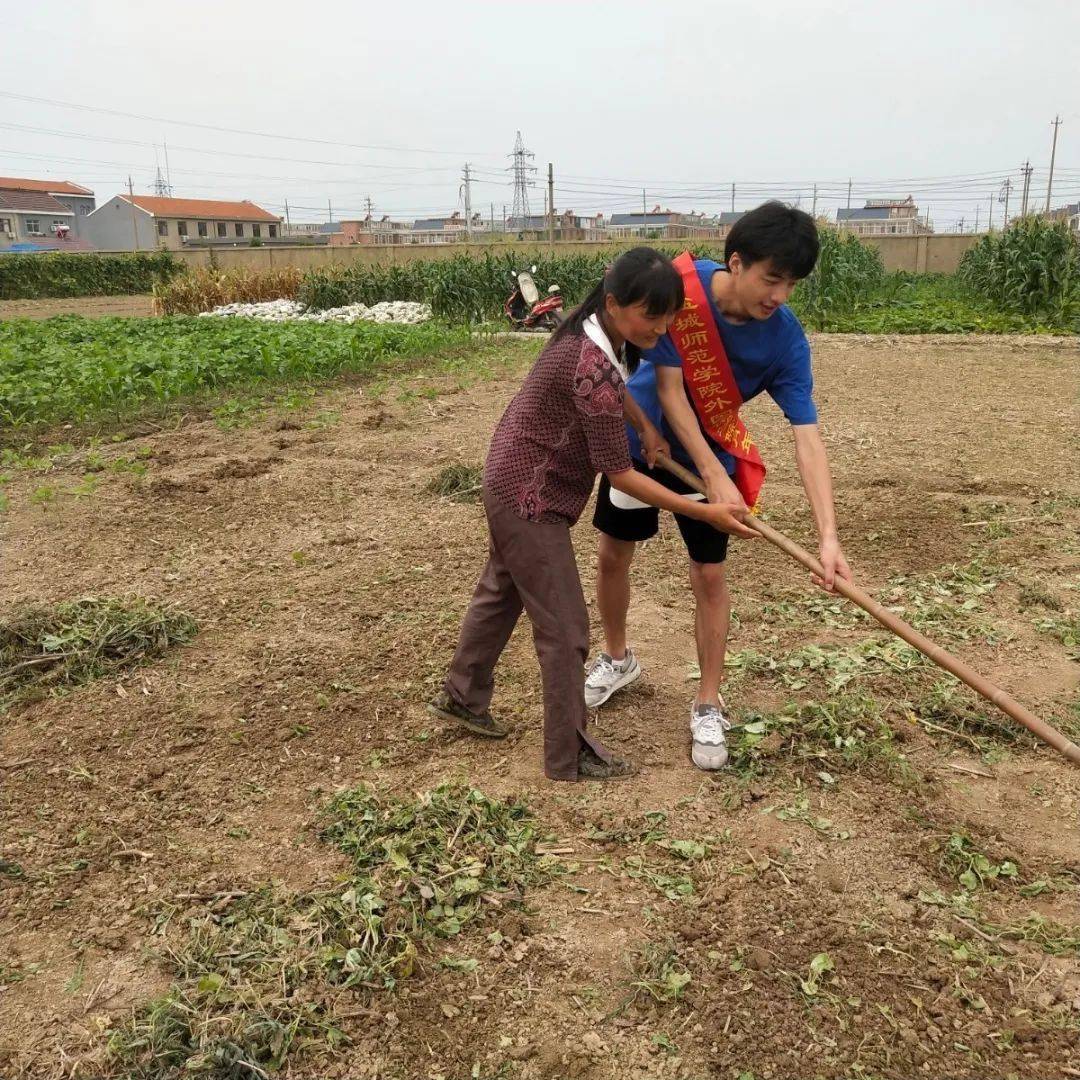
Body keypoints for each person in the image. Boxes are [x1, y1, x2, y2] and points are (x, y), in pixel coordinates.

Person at [429, 248, 756, 782]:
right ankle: (569, 753)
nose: (662, 327)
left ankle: (463, 696)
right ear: (613, 303)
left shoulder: (599, 337)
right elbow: (621, 473)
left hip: (511, 478)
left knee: (501, 590)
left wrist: (645, 425)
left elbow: (614, 385)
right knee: (566, 628)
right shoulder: (588, 365)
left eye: (669, 316)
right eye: (651, 315)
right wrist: (705, 510)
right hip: (530, 497)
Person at [585, 202, 853, 770]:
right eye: (771, 278)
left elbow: (808, 436)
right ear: (737, 262)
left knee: (709, 574)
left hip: (713, 455)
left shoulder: (785, 340)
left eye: (792, 284)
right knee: (614, 554)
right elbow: (672, 390)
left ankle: (708, 701)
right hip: (645, 443)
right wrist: (710, 478)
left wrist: (828, 535)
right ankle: (616, 657)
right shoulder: (680, 290)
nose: (779, 295)